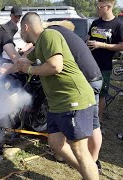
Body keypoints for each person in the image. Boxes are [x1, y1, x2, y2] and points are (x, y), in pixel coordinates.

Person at [18, 12, 99, 179]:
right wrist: (5, 68)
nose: (20, 33)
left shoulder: (50, 35)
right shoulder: (39, 44)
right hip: (57, 103)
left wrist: (30, 70)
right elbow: (25, 61)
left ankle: (89, 171)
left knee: (79, 149)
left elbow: (55, 66)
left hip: (73, 98)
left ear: (26, 27)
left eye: (20, 29)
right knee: (55, 143)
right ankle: (87, 171)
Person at [44, 21, 103, 172]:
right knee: (94, 123)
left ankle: (89, 165)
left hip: (85, 81)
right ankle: (94, 162)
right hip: (95, 75)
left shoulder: (51, 35)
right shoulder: (68, 34)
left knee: (86, 127)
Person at [87, 0, 123, 124]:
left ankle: (99, 121)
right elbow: (88, 39)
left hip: (104, 65)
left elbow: (121, 46)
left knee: (101, 94)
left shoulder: (118, 24)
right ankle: (87, 117)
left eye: (99, 7)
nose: (97, 9)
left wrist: (101, 45)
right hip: (89, 64)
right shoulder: (95, 22)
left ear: (108, 7)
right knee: (87, 91)